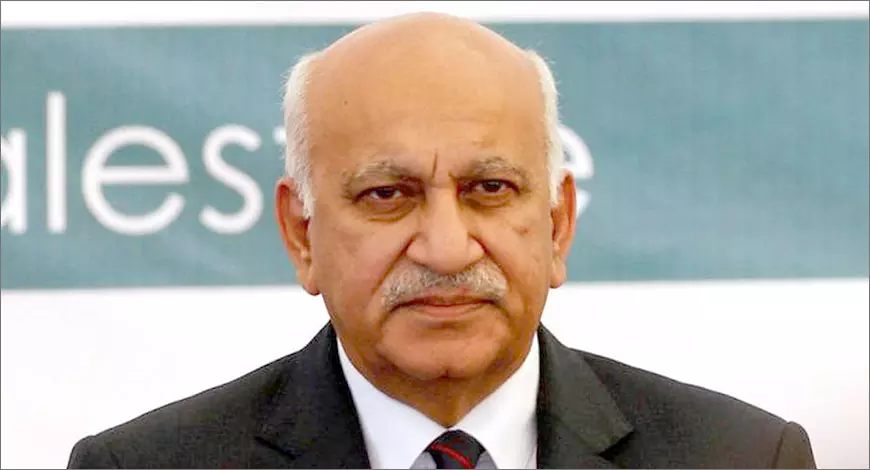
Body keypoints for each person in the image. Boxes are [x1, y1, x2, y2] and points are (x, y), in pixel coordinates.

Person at [67, 12, 816, 469]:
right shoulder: (141, 467)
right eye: (386, 195)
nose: (447, 249)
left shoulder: (743, 459)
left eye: (489, 188)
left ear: (557, 225)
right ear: (302, 235)